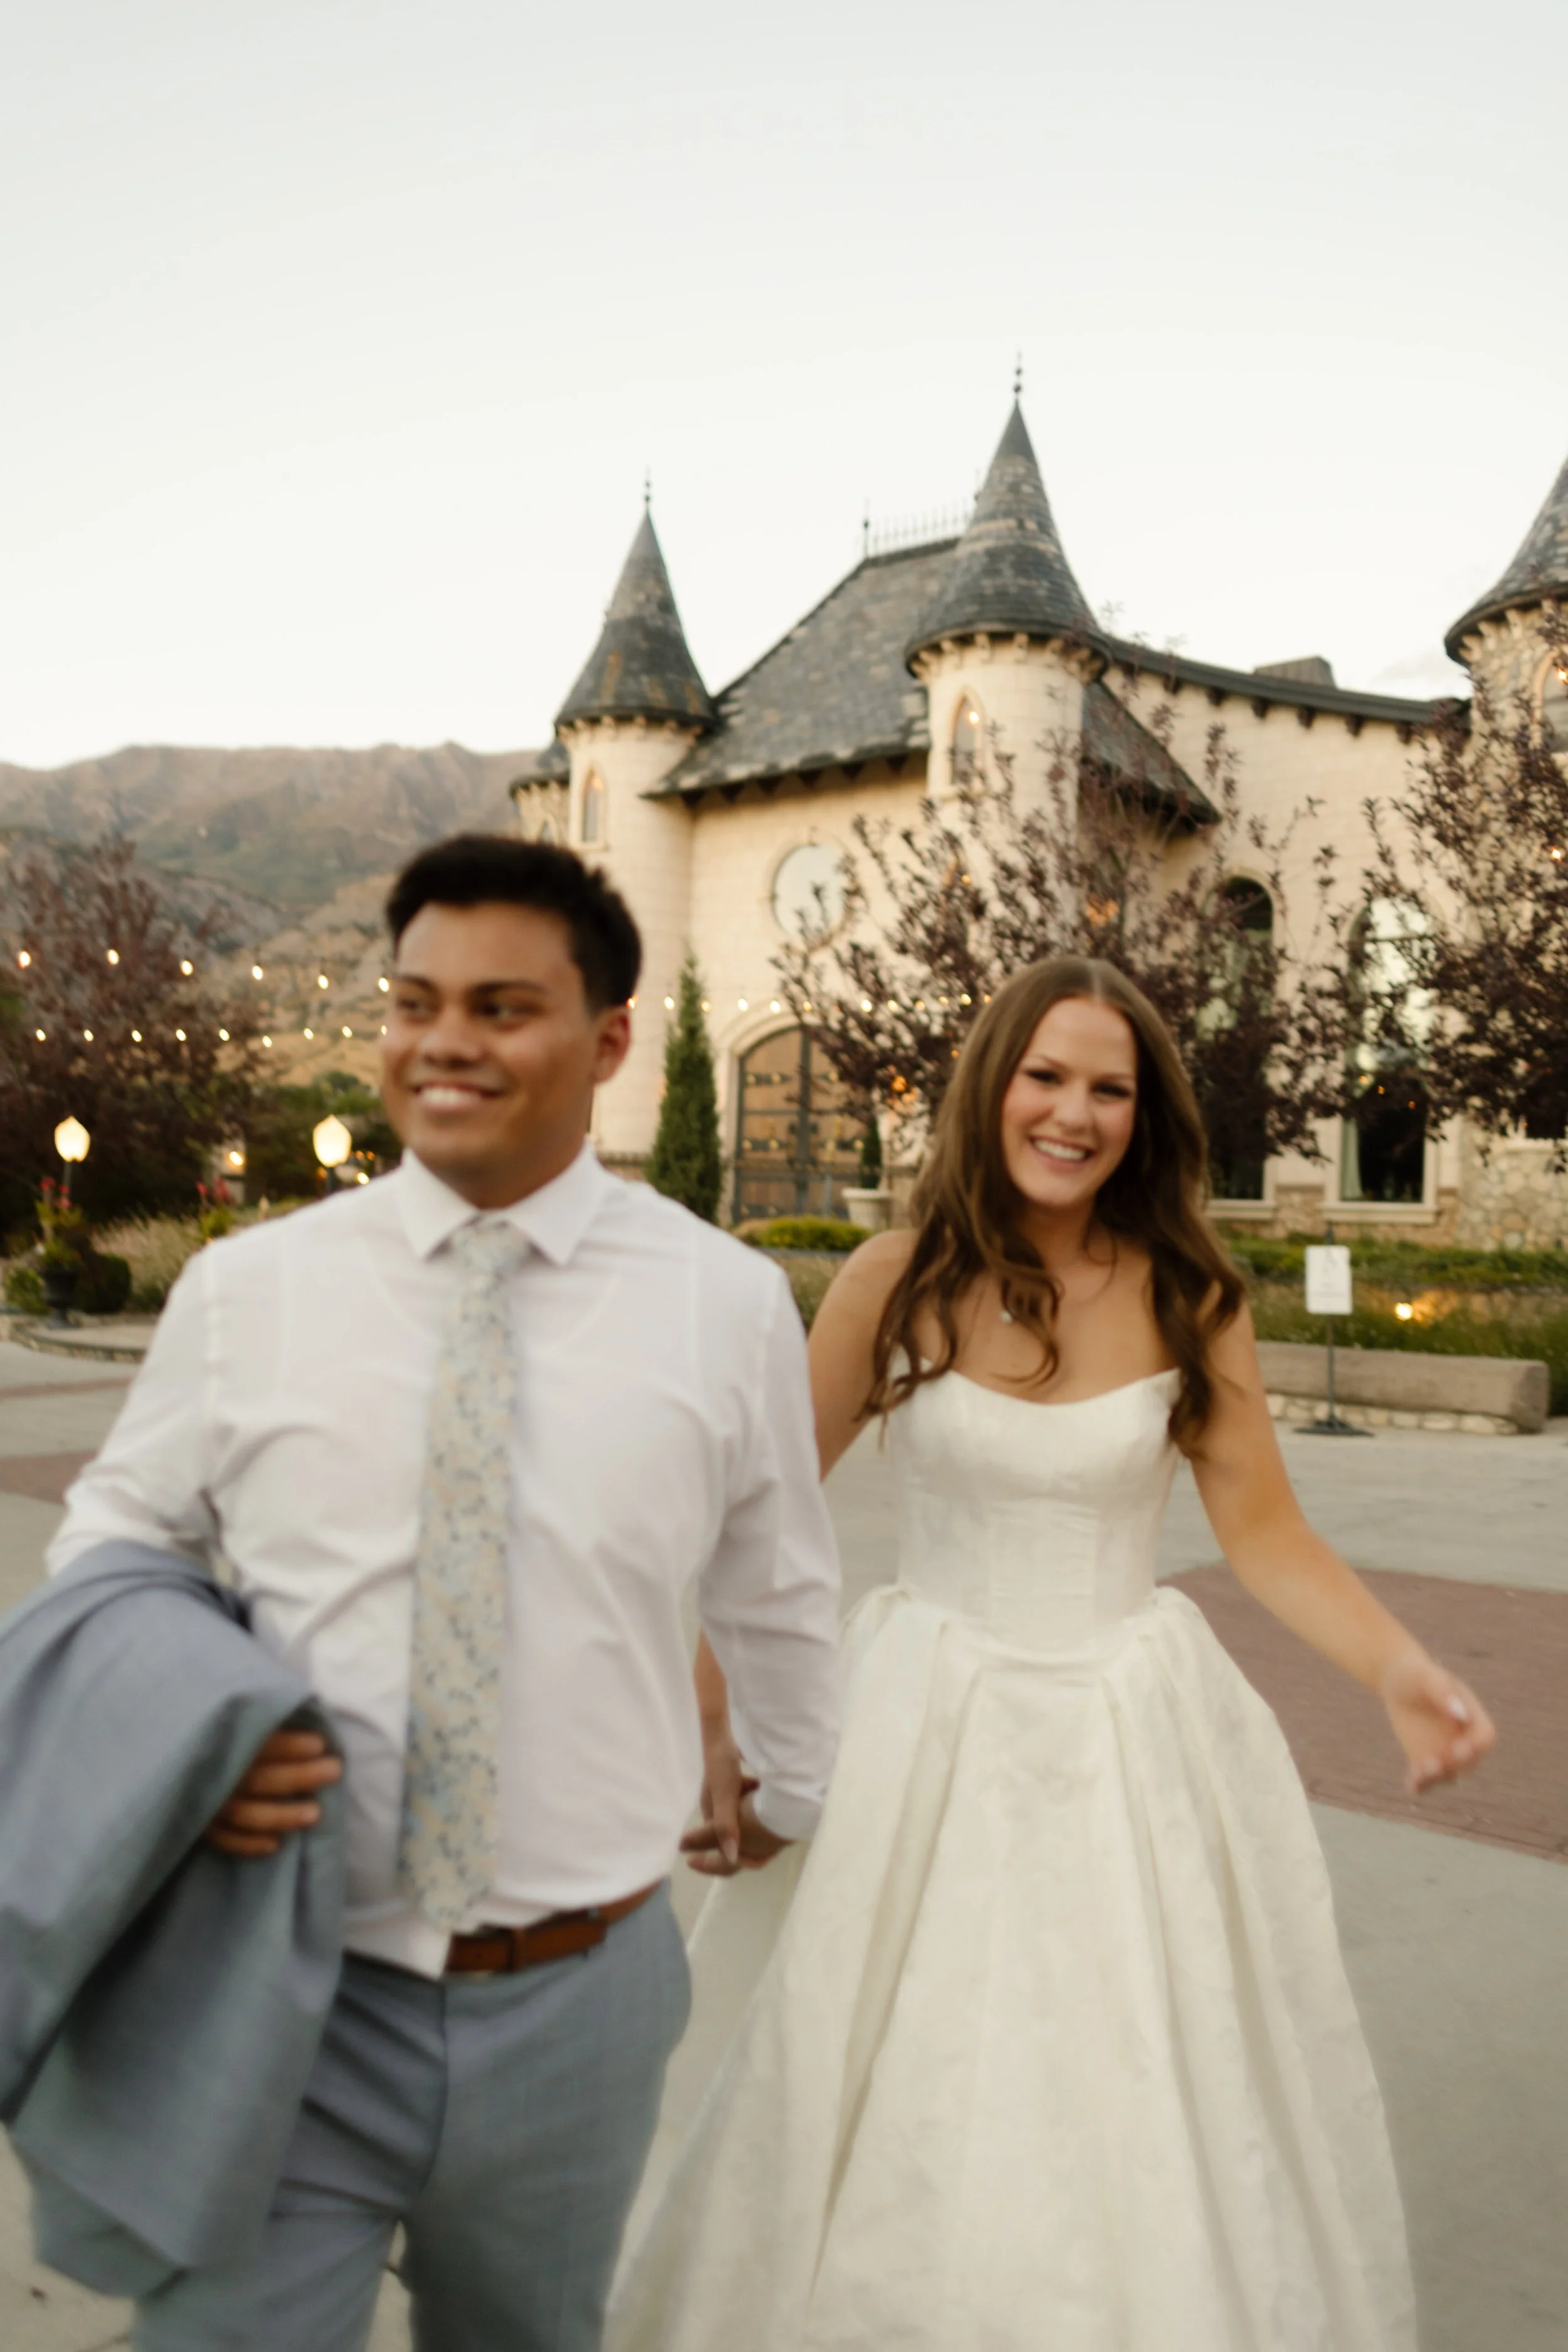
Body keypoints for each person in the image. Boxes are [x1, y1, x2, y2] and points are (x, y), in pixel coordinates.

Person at [608, 956, 1496, 2352]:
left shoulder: (1191, 1294)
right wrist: (718, 1732)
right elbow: (759, 1525)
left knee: (1123, 2082)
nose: (1071, 1113)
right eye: (1045, 1076)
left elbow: (1264, 1533)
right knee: (884, 2073)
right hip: (918, 1730)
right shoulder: (889, 1280)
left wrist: (1397, 1671)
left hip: (1122, 1745)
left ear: (1141, 1118)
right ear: (991, 1086)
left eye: (1108, 1088)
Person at [46, 834, 840, 2352]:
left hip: (577, 2004)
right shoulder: (249, 1291)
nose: (445, 1043)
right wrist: (179, 1743)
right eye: (416, 1003)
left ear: (609, 1038)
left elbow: (779, 1584)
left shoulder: (721, 1302)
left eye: (499, 1006)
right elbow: (116, 1541)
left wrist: (791, 1784)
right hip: (273, 1983)